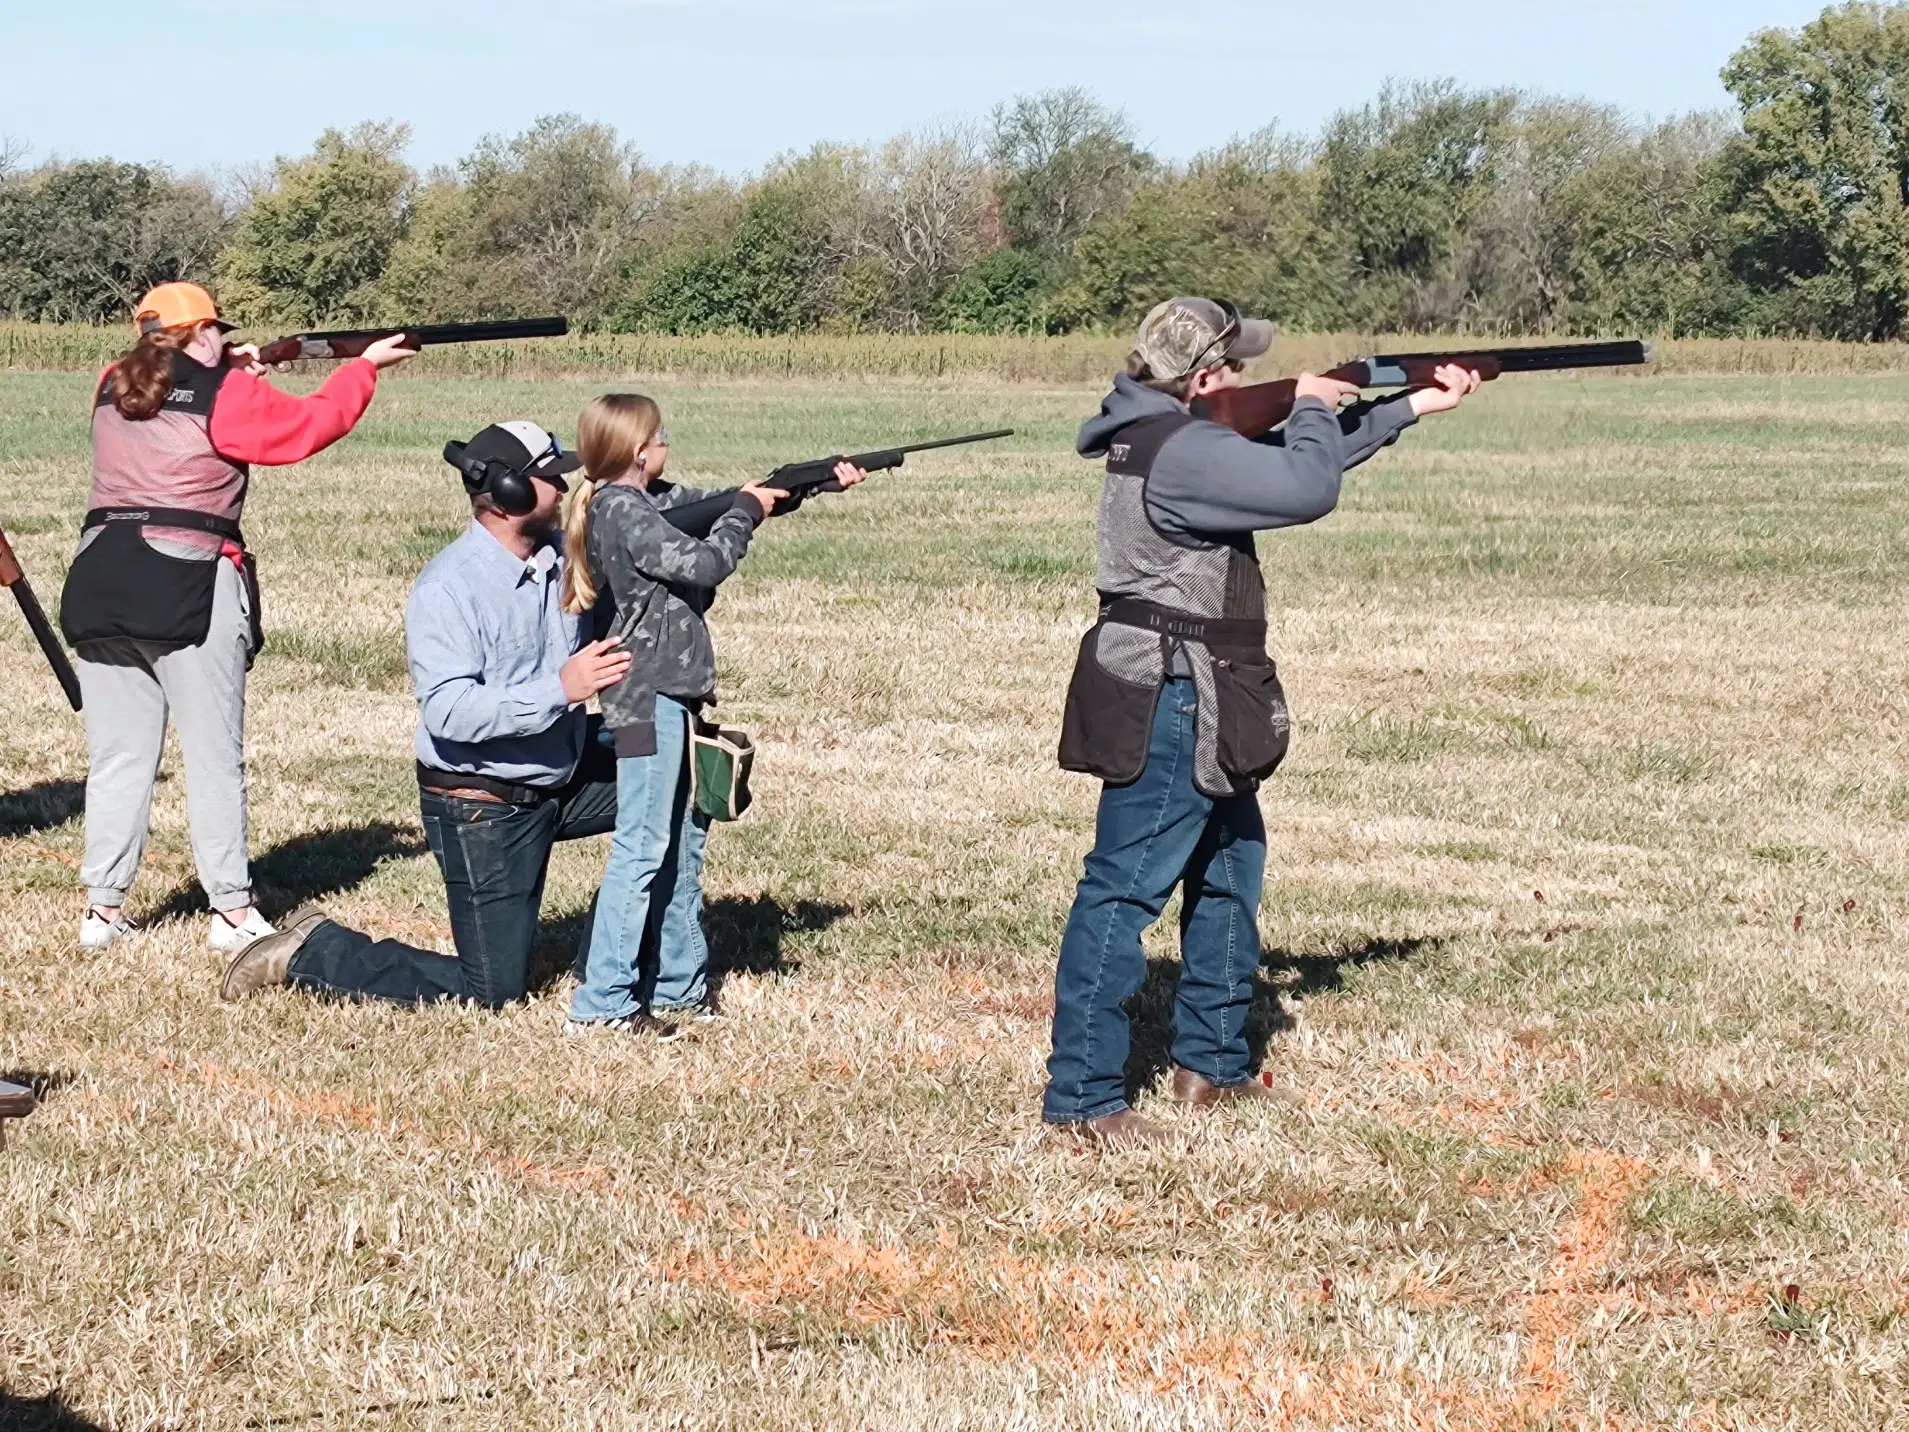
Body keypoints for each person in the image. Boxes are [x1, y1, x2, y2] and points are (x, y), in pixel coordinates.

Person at [1044, 297, 1480, 1147]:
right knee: (1122, 891)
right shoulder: (1183, 449)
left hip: (1209, 691)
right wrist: (1316, 402)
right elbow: (1306, 484)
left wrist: (1407, 407)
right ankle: (1083, 1101)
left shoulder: (1170, 435)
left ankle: (1210, 1063)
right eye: (1233, 363)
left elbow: (1284, 464)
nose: (1245, 374)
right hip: (1176, 693)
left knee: (1229, 875)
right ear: (1204, 375)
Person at [217, 420, 637, 1014]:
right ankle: (313, 950)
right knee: (491, 992)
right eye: (551, 477)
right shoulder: (447, 588)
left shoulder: (563, 562)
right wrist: (560, 689)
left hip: (557, 773)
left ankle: (620, 959)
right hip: (482, 806)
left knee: (677, 779)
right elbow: (450, 712)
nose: (565, 486)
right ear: (512, 493)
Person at [61, 282, 415, 955]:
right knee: (213, 756)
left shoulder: (111, 383)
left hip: (100, 577)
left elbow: (176, 388)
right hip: (187, 580)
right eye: (218, 330)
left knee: (118, 757)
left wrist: (238, 364)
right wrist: (362, 368)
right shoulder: (228, 393)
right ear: (202, 333)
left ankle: (101, 911)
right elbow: (308, 427)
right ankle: (232, 914)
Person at [556, 395, 866, 1031]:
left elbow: (725, 502)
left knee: (682, 847)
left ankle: (679, 990)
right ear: (639, 449)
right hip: (645, 699)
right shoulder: (621, 508)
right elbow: (705, 559)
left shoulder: (646, 501)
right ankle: (602, 1003)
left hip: (676, 694)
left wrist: (800, 485)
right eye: (662, 435)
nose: (668, 443)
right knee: (641, 848)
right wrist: (747, 514)